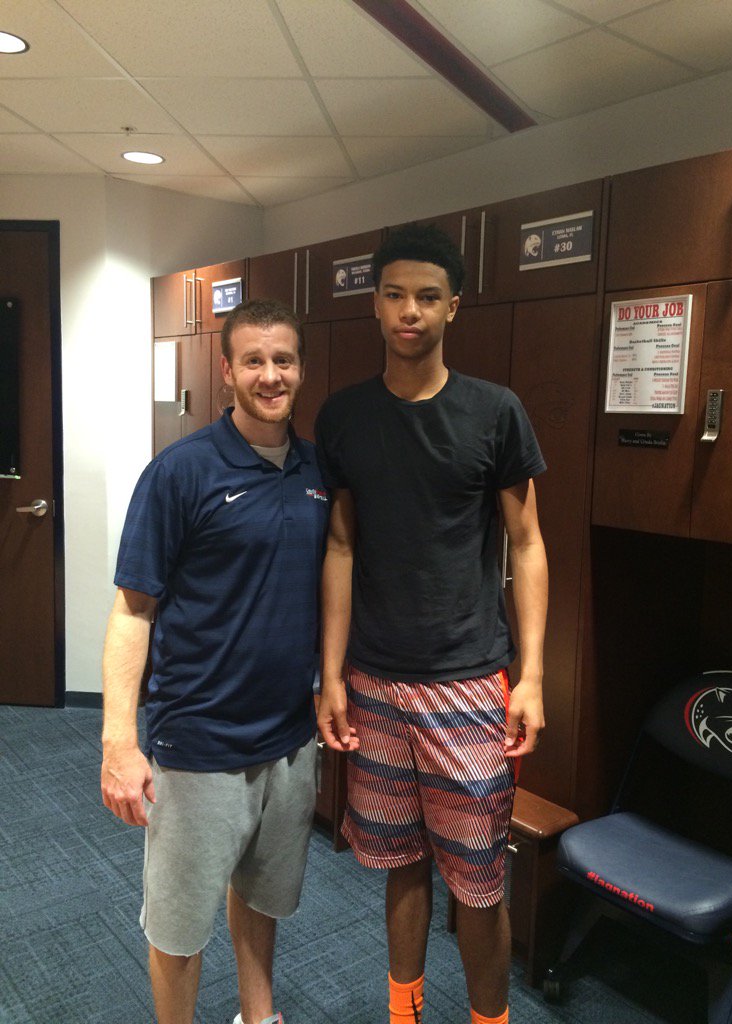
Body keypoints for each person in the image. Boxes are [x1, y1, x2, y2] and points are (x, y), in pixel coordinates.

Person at [315, 223, 548, 1024]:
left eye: (426, 297)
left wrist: (535, 679)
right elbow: (340, 546)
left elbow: (528, 542)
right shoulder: (344, 416)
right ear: (375, 306)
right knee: (400, 866)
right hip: (375, 682)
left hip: (468, 684)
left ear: (454, 307)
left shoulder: (494, 412)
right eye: (393, 295)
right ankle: (402, 1012)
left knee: (479, 884)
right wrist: (332, 677)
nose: (408, 311)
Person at [101, 298, 328, 1024]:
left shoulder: (319, 472)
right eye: (254, 360)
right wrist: (118, 740)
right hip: (199, 742)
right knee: (178, 924)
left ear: (300, 368)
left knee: (263, 897)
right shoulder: (180, 473)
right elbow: (133, 610)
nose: (271, 375)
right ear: (226, 369)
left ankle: (257, 1016)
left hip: (289, 740)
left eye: (283, 360)